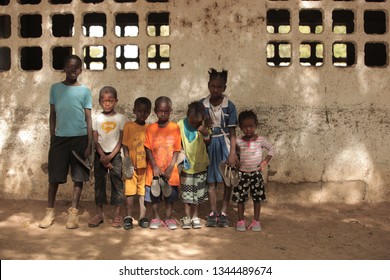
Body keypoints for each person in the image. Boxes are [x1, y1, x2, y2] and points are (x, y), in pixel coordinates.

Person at [39, 55, 92, 229]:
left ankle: (73, 213)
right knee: (54, 177)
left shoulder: (85, 91)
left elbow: (88, 118)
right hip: (60, 139)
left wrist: (89, 143)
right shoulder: (55, 89)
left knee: (78, 177)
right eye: (69, 66)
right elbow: (52, 114)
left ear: (81, 70)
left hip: (80, 138)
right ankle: (49, 212)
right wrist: (53, 137)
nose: (73, 69)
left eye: (77, 67)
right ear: (64, 68)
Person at [200, 68, 238, 227]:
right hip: (209, 144)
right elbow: (201, 127)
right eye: (213, 86)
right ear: (208, 85)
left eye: (219, 87)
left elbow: (232, 131)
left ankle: (223, 212)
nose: (216, 90)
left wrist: (232, 154)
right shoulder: (202, 104)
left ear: (224, 88)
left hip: (225, 144)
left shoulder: (229, 106)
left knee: (227, 179)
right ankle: (213, 212)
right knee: (211, 181)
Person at [88, 86, 126, 228]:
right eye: (104, 101)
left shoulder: (121, 118)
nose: (107, 103)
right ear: (99, 101)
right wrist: (103, 156)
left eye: (110, 100)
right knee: (99, 184)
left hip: (114, 155)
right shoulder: (97, 118)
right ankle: (99, 214)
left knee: (117, 184)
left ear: (116, 101)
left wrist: (110, 157)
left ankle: (117, 215)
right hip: (100, 155)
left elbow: (121, 140)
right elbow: (95, 140)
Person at [233, 110, 275, 232]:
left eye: (251, 126)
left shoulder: (261, 140)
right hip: (242, 174)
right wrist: (235, 158)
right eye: (245, 127)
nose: (248, 129)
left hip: (256, 175)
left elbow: (272, 149)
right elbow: (231, 150)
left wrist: (265, 162)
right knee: (241, 199)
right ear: (240, 127)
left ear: (256, 125)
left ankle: (256, 221)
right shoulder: (238, 141)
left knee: (257, 198)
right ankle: (240, 220)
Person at [144, 96, 181, 230]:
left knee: (169, 196)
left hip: (169, 170)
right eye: (160, 111)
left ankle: (169, 218)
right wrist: (154, 165)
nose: (163, 114)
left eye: (166, 111)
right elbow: (147, 148)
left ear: (170, 111)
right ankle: (155, 218)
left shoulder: (175, 128)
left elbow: (177, 149)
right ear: (155, 111)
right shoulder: (150, 128)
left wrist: (171, 167)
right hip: (154, 170)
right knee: (154, 195)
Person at [177, 101, 210, 229]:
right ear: (187, 115)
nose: (195, 124)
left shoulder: (204, 126)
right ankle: (187, 217)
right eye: (192, 121)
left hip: (201, 167)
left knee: (198, 195)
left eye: (197, 122)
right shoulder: (180, 125)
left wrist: (205, 133)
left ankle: (195, 216)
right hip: (186, 168)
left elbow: (208, 143)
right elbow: (177, 141)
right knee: (187, 195)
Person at [122, 97, 152, 230]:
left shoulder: (150, 128)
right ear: (134, 111)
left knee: (143, 193)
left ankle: (142, 216)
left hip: (145, 167)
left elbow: (151, 148)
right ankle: (128, 216)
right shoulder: (129, 126)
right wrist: (128, 161)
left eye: (145, 112)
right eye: (139, 111)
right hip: (131, 167)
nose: (142, 114)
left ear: (149, 113)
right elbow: (125, 146)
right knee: (129, 192)